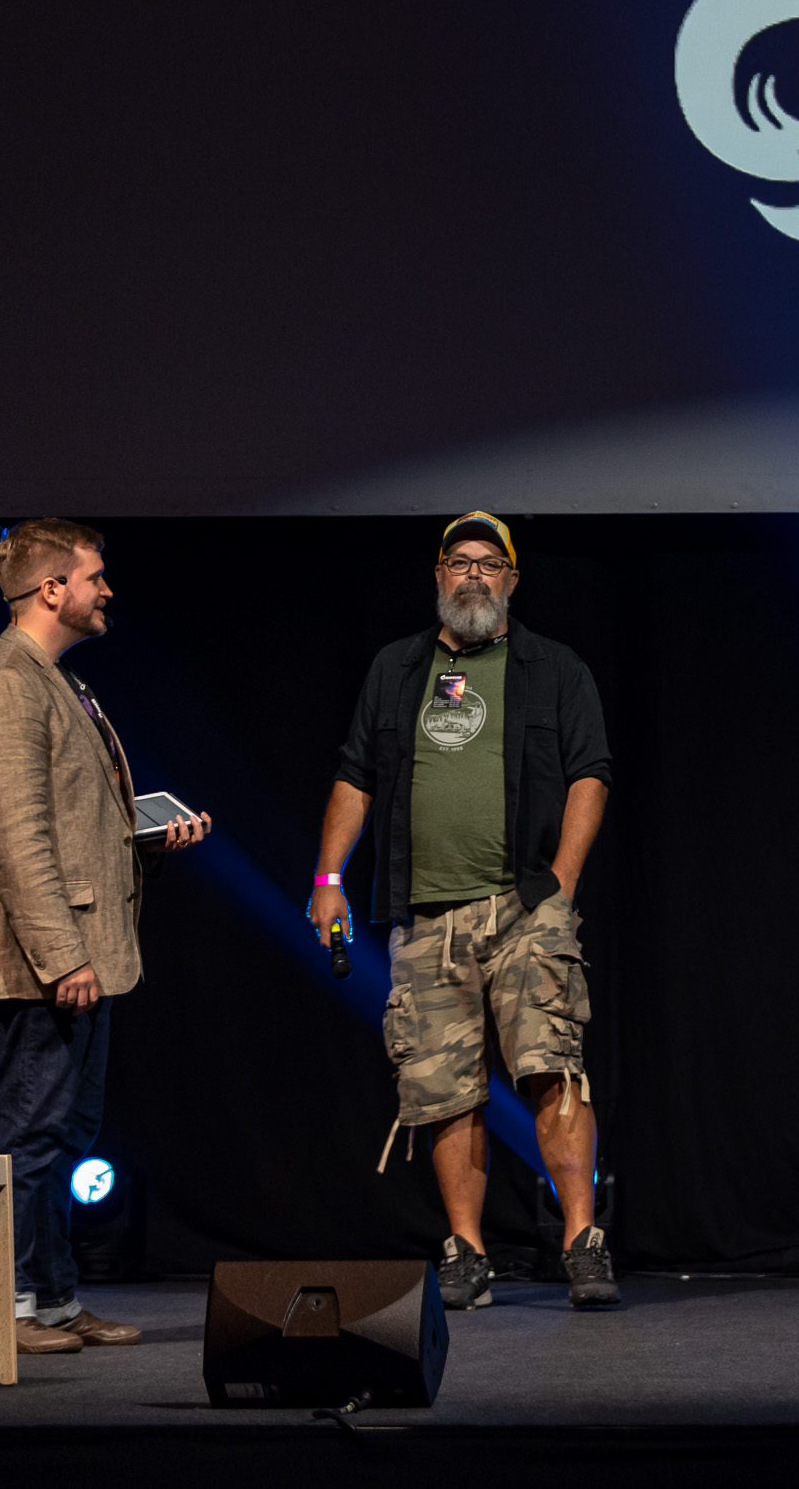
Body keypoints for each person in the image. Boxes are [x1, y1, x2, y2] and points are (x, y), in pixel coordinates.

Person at [311, 512, 617, 1309]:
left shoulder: (554, 667)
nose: (473, 573)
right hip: (425, 914)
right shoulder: (396, 667)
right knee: (443, 1088)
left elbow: (590, 774)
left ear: (512, 579)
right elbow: (355, 775)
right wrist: (328, 875)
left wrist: (560, 883)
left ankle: (582, 1239)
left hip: (525, 905)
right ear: (439, 576)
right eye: (459, 561)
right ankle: (467, 1251)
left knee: (552, 1067)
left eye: (489, 562)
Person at [0, 519, 210, 1355]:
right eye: (95, 576)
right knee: (21, 1134)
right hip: (40, 958)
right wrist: (64, 955)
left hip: (80, 946)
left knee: (64, 1133)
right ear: (51, 588)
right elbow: (15, 837)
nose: (106, 589)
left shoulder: (55, 680)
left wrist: (145, 841)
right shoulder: (8, 686)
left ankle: (53, 1299)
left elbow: (70, 823)